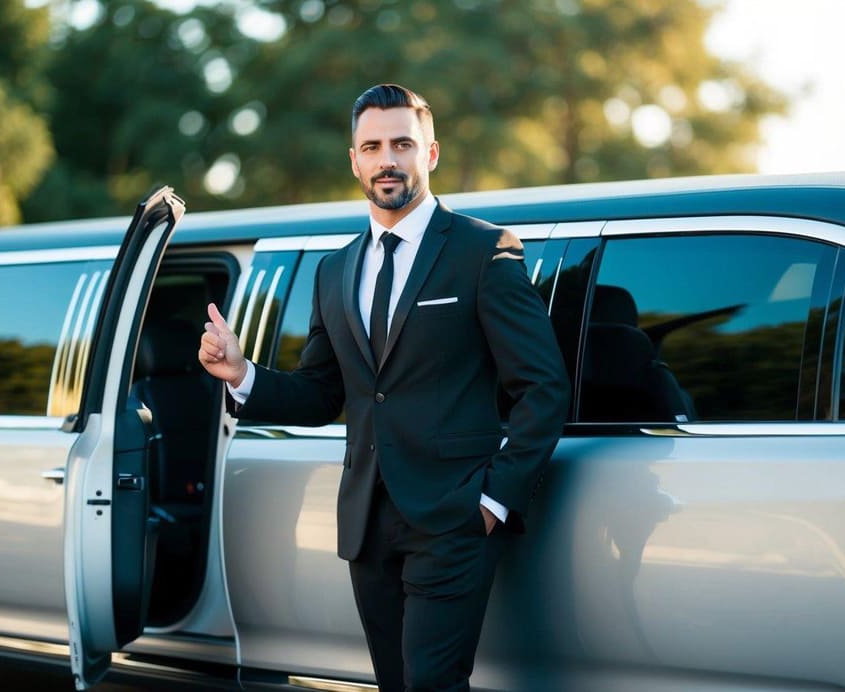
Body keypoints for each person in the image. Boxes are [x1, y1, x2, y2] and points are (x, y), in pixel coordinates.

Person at [198, 84, 569, 692]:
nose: (386, 159)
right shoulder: (335, 268)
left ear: (431, 152)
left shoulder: (482, 250)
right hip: (367, 522)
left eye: (402, 143)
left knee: (430, 683)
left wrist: (494, 501)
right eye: (371, 146)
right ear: (354, 160)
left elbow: (543, 386)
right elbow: (323, 393)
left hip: (454, 519)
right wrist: (243, 374)